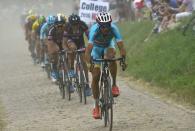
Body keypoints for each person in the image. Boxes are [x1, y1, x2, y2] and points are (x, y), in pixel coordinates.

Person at [85, 12, 126, 119]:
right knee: (96, 75)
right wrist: (89, 64)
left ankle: (114, 85)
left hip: (108, 46)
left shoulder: (114, 28)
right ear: (99, 25)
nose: (105, 28)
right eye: (103, 26)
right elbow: (88, 50)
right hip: (96, 49)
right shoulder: (94, 30)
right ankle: (96, 106)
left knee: (111, 57)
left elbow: (121, 46)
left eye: (107, 25)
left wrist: (123, 59)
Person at [62, 14, 92, 96]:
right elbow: (64, 42)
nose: (75, 26)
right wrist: (67, 50)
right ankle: (71, 72)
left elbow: (89, 37)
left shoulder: (83, 25)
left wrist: (91, 46)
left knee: (83, 61)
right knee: (72, 49)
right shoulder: (67, 27)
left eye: (76, 25)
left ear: (79, 23)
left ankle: (86, 84)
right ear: (70, 24)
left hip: (80, 43)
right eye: (73, 25)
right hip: (70, 41)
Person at [47, 14, 68, 83]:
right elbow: (50, 43)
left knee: (68, 56)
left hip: (63, 42)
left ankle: (68, 79)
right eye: (58, 25)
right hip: (54, 43)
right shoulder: (51, 30)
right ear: (55, 25)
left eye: (61, 25)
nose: (60, 27)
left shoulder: (67, 28)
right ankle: (54, 72)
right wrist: (53, 51)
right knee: (54, 54)